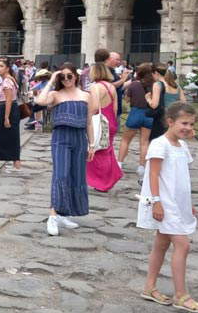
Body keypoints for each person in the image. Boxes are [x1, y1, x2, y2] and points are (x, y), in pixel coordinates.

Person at [137, 102, 198, 313]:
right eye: (184, 123)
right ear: (170, 121)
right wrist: (156, 201)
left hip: (177, 203)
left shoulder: (182, 146)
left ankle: (149, 287)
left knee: (161, 244)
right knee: (182, 245)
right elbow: (153, 174)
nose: (188, 127)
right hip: (165, 203)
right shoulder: (160, 145)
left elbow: (180, 177)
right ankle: (181, 295)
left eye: (191, 124)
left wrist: (188, 203)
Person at [34, 64, 97, 236]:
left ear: (76, 76)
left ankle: (63, 213)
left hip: (79, 138)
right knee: (60, 175)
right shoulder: (55, 94)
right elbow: (39, 101)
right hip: (61, 137)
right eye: (63, 77)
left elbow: (89, 122)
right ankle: (53, 215)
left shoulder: (86, 95)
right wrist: (51, 80)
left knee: (75, 176)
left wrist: (92, 144)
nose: (66, 79)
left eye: (69, 75)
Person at [86, 63, 123, 192]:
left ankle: (101, 182)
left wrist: (88, 117)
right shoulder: (111, 87)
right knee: (107, 151)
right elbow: (115, 108)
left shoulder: (95, 87)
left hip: (99, 123)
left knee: (96, 152)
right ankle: (108, 179)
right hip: (110, 121)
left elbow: (95, 106)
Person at [118, 63, 155, 175]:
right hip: (149, 114)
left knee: (125, 140)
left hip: (135, 112)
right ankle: (141, 167)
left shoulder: (134, 84)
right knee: (144, 142)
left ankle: (119, 163)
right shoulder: (155, 85)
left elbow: (127, 99)